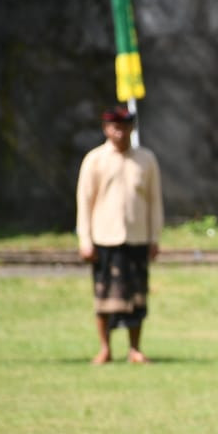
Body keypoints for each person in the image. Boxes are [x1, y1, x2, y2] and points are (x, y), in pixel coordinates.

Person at [76, 105, 163, 364]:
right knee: (105, 297)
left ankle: (134, 349)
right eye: (115, 127)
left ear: (131, 129)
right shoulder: (95, 160)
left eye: (124, 127)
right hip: (105, 238)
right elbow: (85, 201)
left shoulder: (146, 159)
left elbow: (155, 201)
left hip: (137, 237)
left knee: (137, 296)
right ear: (106, 129)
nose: (120, 133)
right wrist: (85, 239)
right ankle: (105, 348)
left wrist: (155, 238)